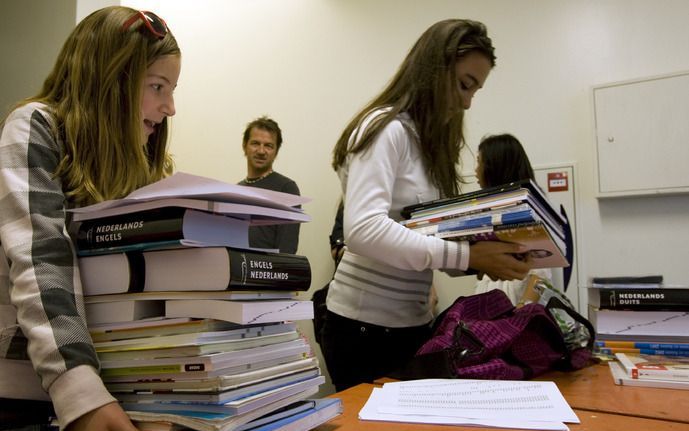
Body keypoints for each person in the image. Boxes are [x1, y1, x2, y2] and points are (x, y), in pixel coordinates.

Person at [321, 19, 532, 392]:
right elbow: (363, 231)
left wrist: (486, 254)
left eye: (476, 90)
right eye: (465, 84)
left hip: (412, 326)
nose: (468, 102)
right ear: (434, 68)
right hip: (362, 331)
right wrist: (467, 257)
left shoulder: (430, 148)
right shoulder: (387, 129)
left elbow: (428, 248)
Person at [0, 6, 180, 430]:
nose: (170, 107)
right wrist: (79, 391)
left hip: (113, 384)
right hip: (29, 393)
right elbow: (42, 259)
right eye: (157, 86)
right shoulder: (33, 126)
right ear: (111, 80)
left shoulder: (137, 160)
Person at [473, 133, 554, 305]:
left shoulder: (527, 208)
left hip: (518, 300)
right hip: (493, 298)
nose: (475, 169)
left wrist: (521, 310)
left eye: (479, 161)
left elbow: (541, 272)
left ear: (495, 166)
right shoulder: (490, 207)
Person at [238, 116, 301, 254]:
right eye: (255, 143)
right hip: (237, 271)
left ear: (276, 151)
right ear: (244, 146)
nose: (261, 151)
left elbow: (287, 248)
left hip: (267, 273)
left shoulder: (286, 188)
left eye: (268, 146)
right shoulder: (235, 191)